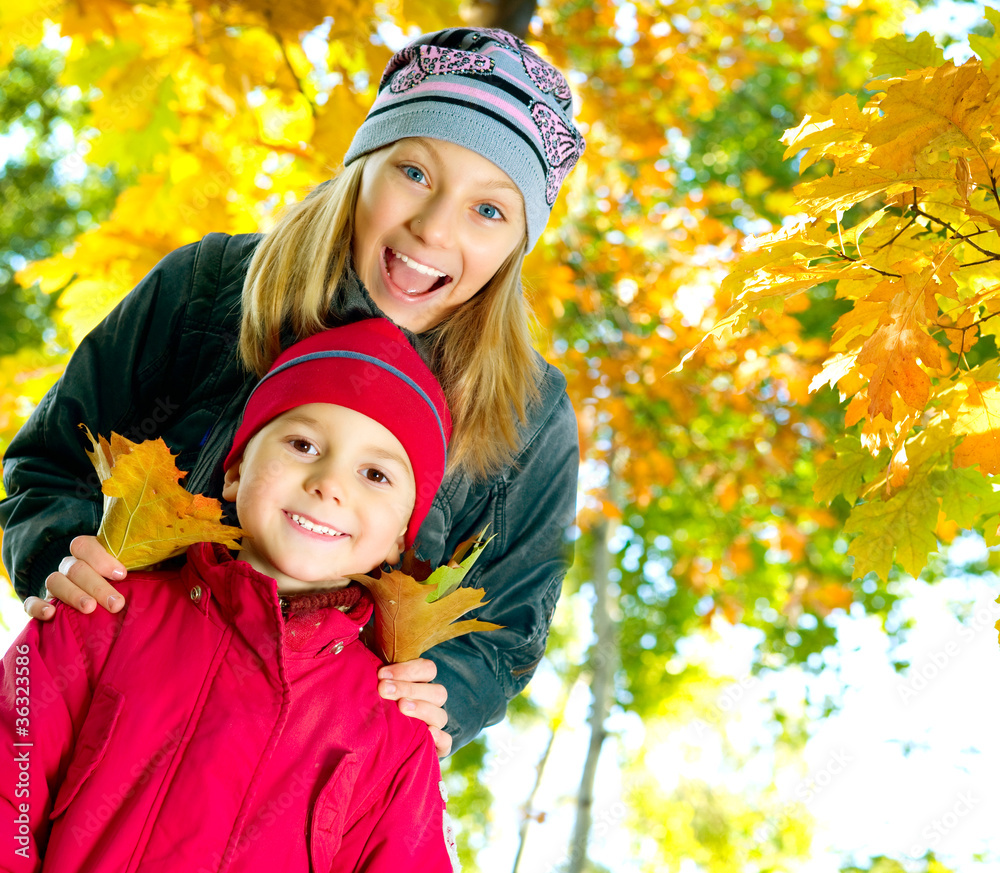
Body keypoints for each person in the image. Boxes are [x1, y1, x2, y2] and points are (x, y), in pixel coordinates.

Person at [0, 26, 585, 755]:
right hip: (109, 713)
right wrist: (60, 547)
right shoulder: (209, 288)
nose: (434, 228)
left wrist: (449, 689)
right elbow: (48, 462)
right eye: (415, 172)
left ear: (516, 244)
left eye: (489, 209)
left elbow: (507, 627)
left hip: (299, 769)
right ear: (362, 167)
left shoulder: (529, 419)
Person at [1, 318, 461, 872]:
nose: (330, 483)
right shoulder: (98, 611)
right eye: (303, 444)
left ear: (398, 539)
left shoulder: (393, 735)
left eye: (376, 475)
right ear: (237, 472)